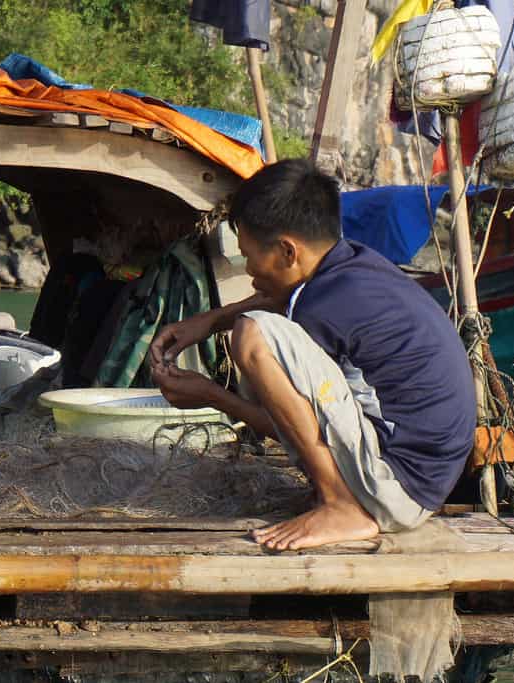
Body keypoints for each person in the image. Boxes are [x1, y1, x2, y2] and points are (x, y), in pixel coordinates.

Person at [149, 159, 475, 550]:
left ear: (288, 250)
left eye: (249, 256)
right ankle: (342, 495)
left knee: (252, 335)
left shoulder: (320, 308)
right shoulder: (352, 265)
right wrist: (209, 320)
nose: (249, 269)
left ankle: (340, 503)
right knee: (252, 325)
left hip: (398, 491)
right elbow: (279, 296)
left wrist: (213, 396)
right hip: (425, 482)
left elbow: (286, 426)